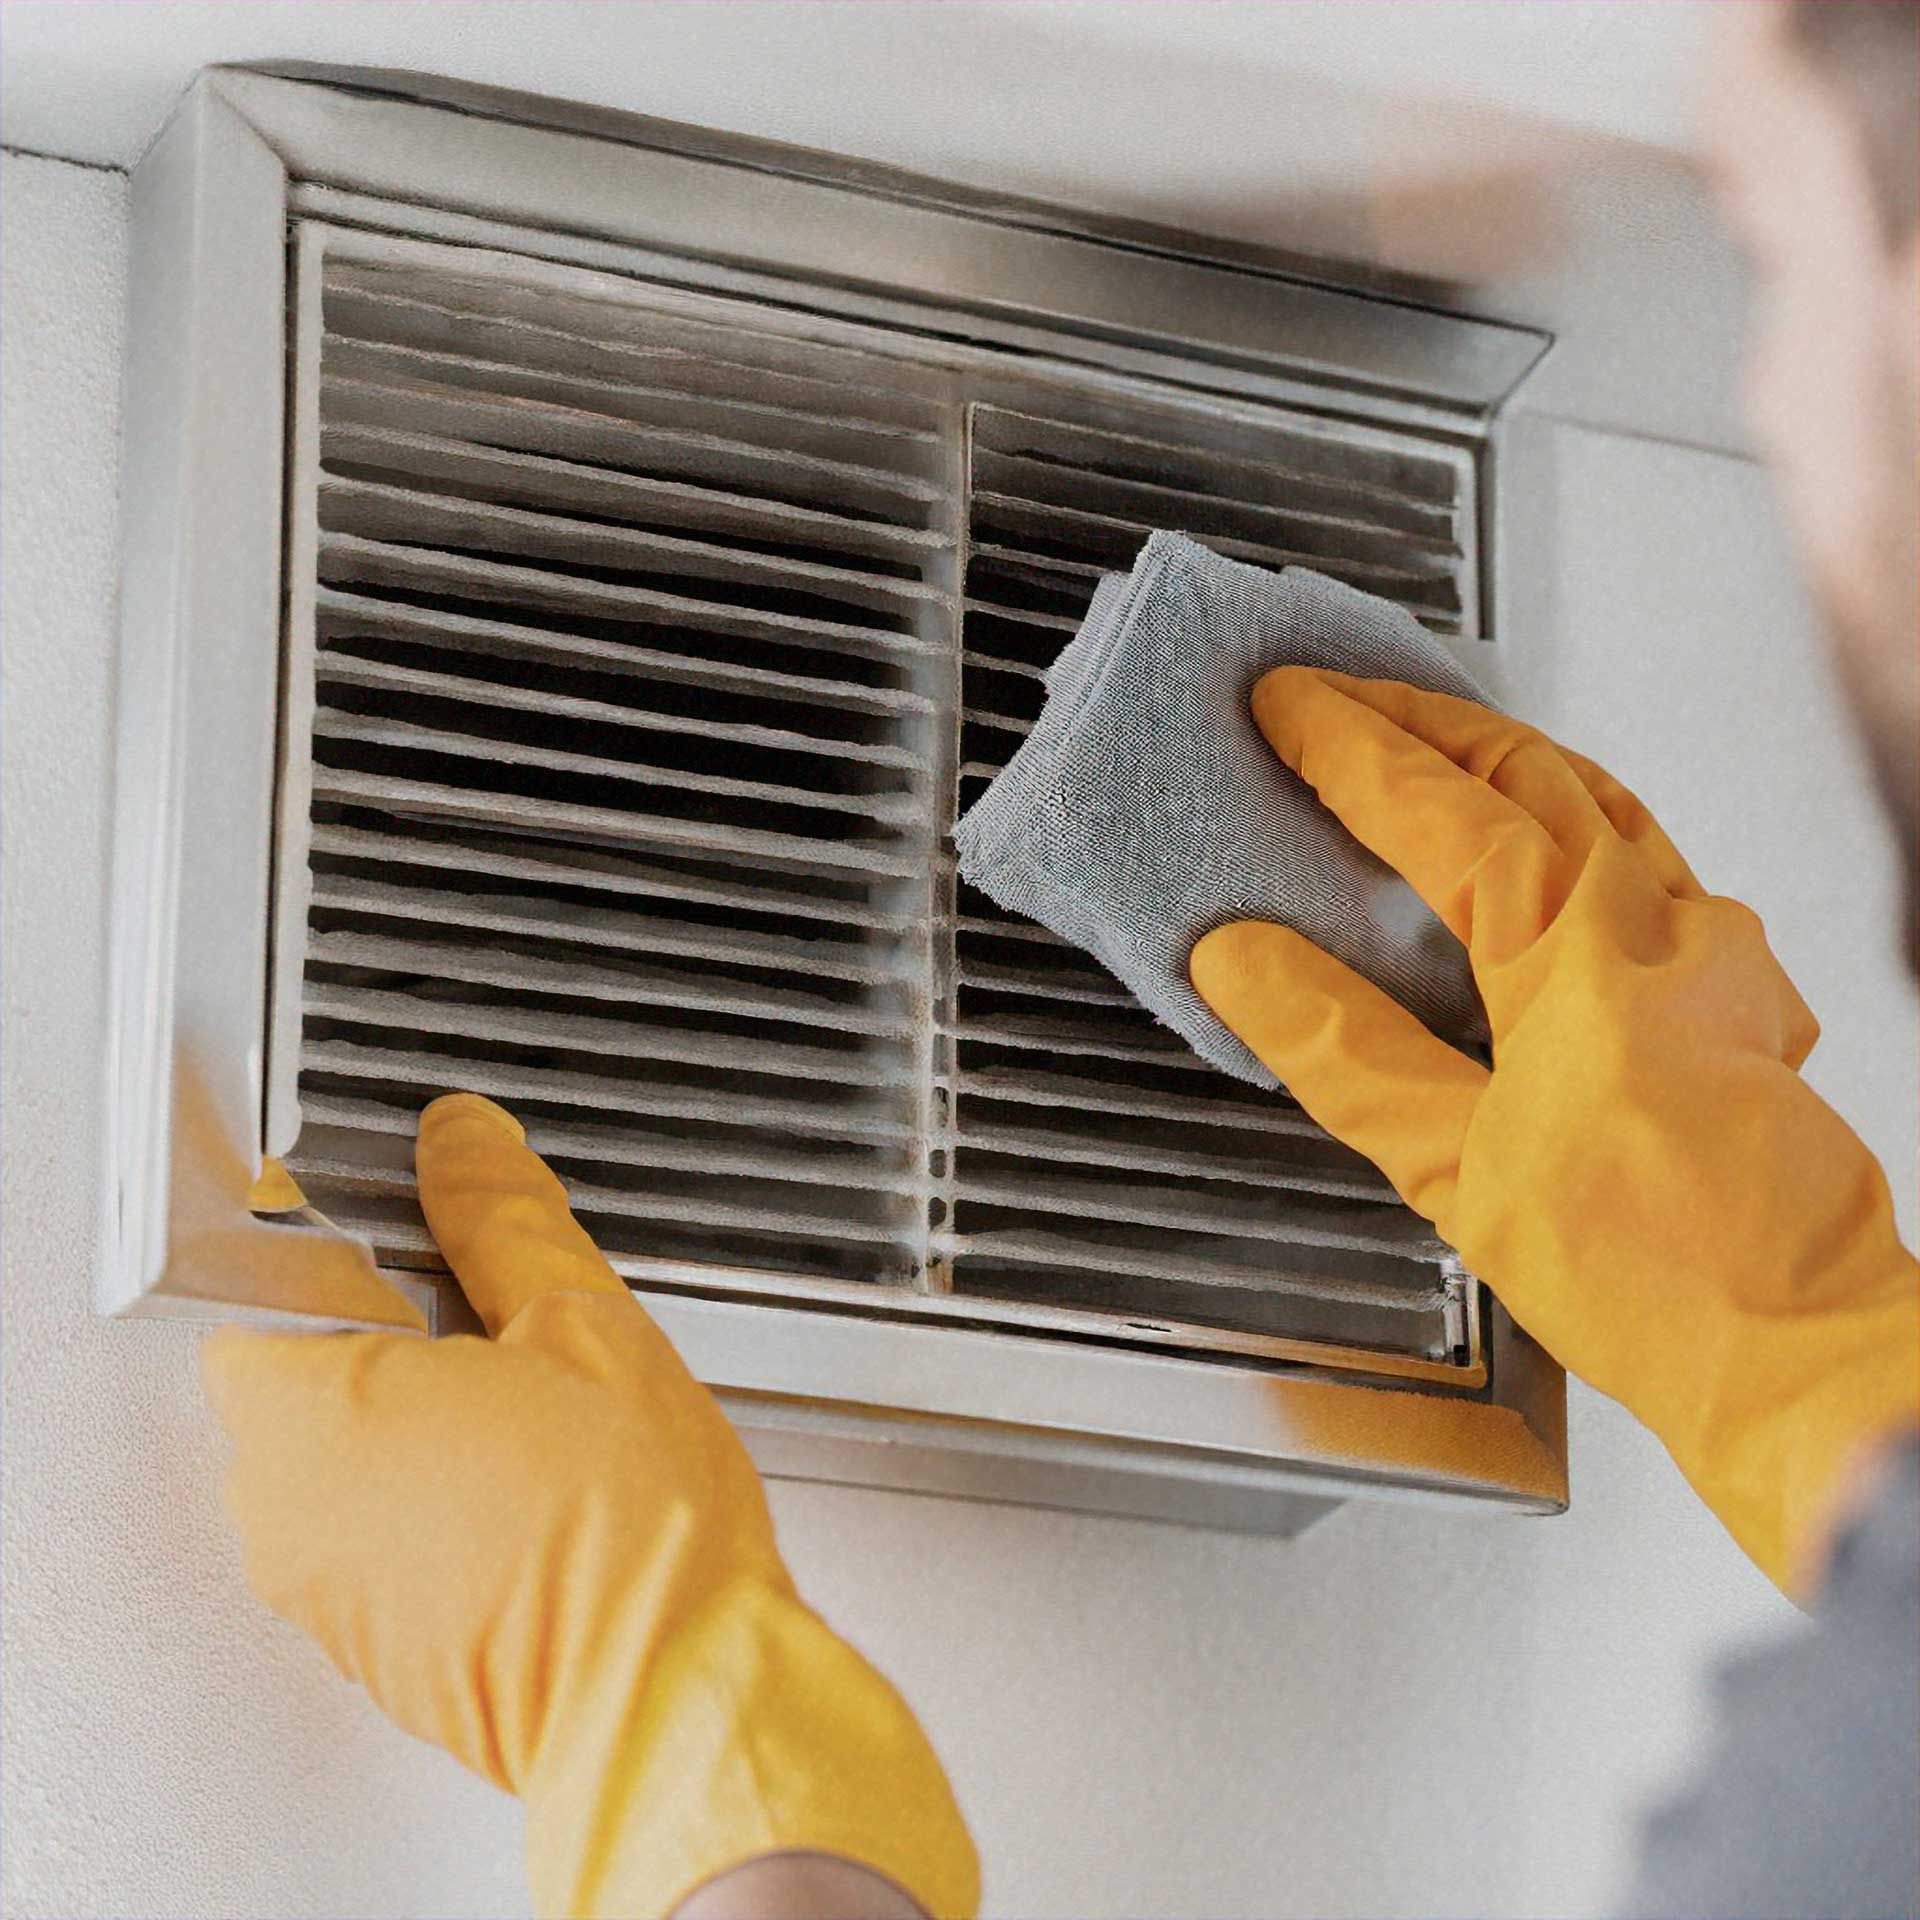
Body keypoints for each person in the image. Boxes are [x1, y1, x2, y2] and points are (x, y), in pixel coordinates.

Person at [201, 3, 1920, 1914]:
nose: (1771, 398)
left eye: (1781, 256)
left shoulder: (1827, 1819)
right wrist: (1822, 1372)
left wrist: (683, 1731)